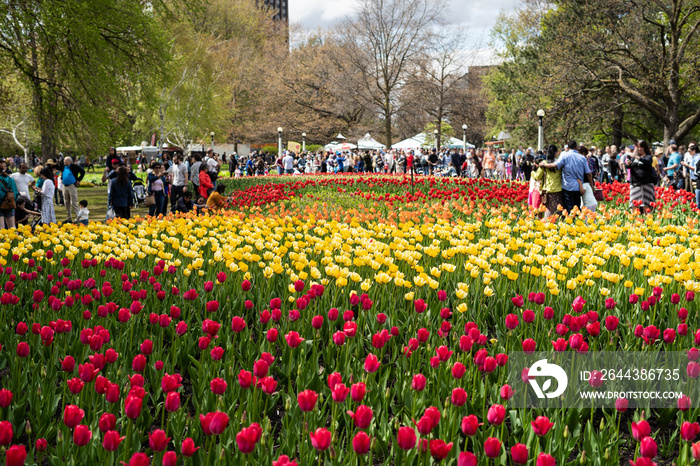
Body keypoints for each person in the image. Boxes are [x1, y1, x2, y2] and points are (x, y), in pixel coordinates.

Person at [540, 140, 590, 215]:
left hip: (567, 187)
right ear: (576, 147)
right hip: (578, 186)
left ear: (568, 147)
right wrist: (592, 186)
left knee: (569, 208)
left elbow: (555, 165)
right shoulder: (582, 158)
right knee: (577, 207)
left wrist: (543, 165)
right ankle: (577, 223)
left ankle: (570, 223)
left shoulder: (564, 156)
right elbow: (588, 173)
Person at [626, 140, 656, 214]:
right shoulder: (633, 158)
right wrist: (628, 164)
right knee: (633, 205)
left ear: (645, 147)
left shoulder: (648, 157)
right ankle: (634, 221)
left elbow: (647, 162)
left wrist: (636, 157)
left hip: (646, 184)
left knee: (647, 204)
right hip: (635, 184)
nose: (639, 149)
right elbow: (629, 167)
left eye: (641, 147)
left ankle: (648, 221)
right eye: (638, 147)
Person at [60, 156, 85, 223]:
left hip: (72, 186)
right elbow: (62, 173)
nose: (64, 162)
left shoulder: (74, 166)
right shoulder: (63, 167)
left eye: (66, 161)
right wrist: (61, 178)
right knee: (66, 202)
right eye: (64, 161)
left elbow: (82, 171)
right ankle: (69, 218)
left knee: (73, 202)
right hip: (65, 186)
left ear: (70, 161)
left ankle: (78, 217)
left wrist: (79, 179)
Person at [0, 162, 19, 229]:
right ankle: (15, 239)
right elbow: (15, 193)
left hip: (0, 205)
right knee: (12, 227)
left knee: (1, 229)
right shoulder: (11, 180)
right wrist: (13, 202)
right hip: (10, 204)